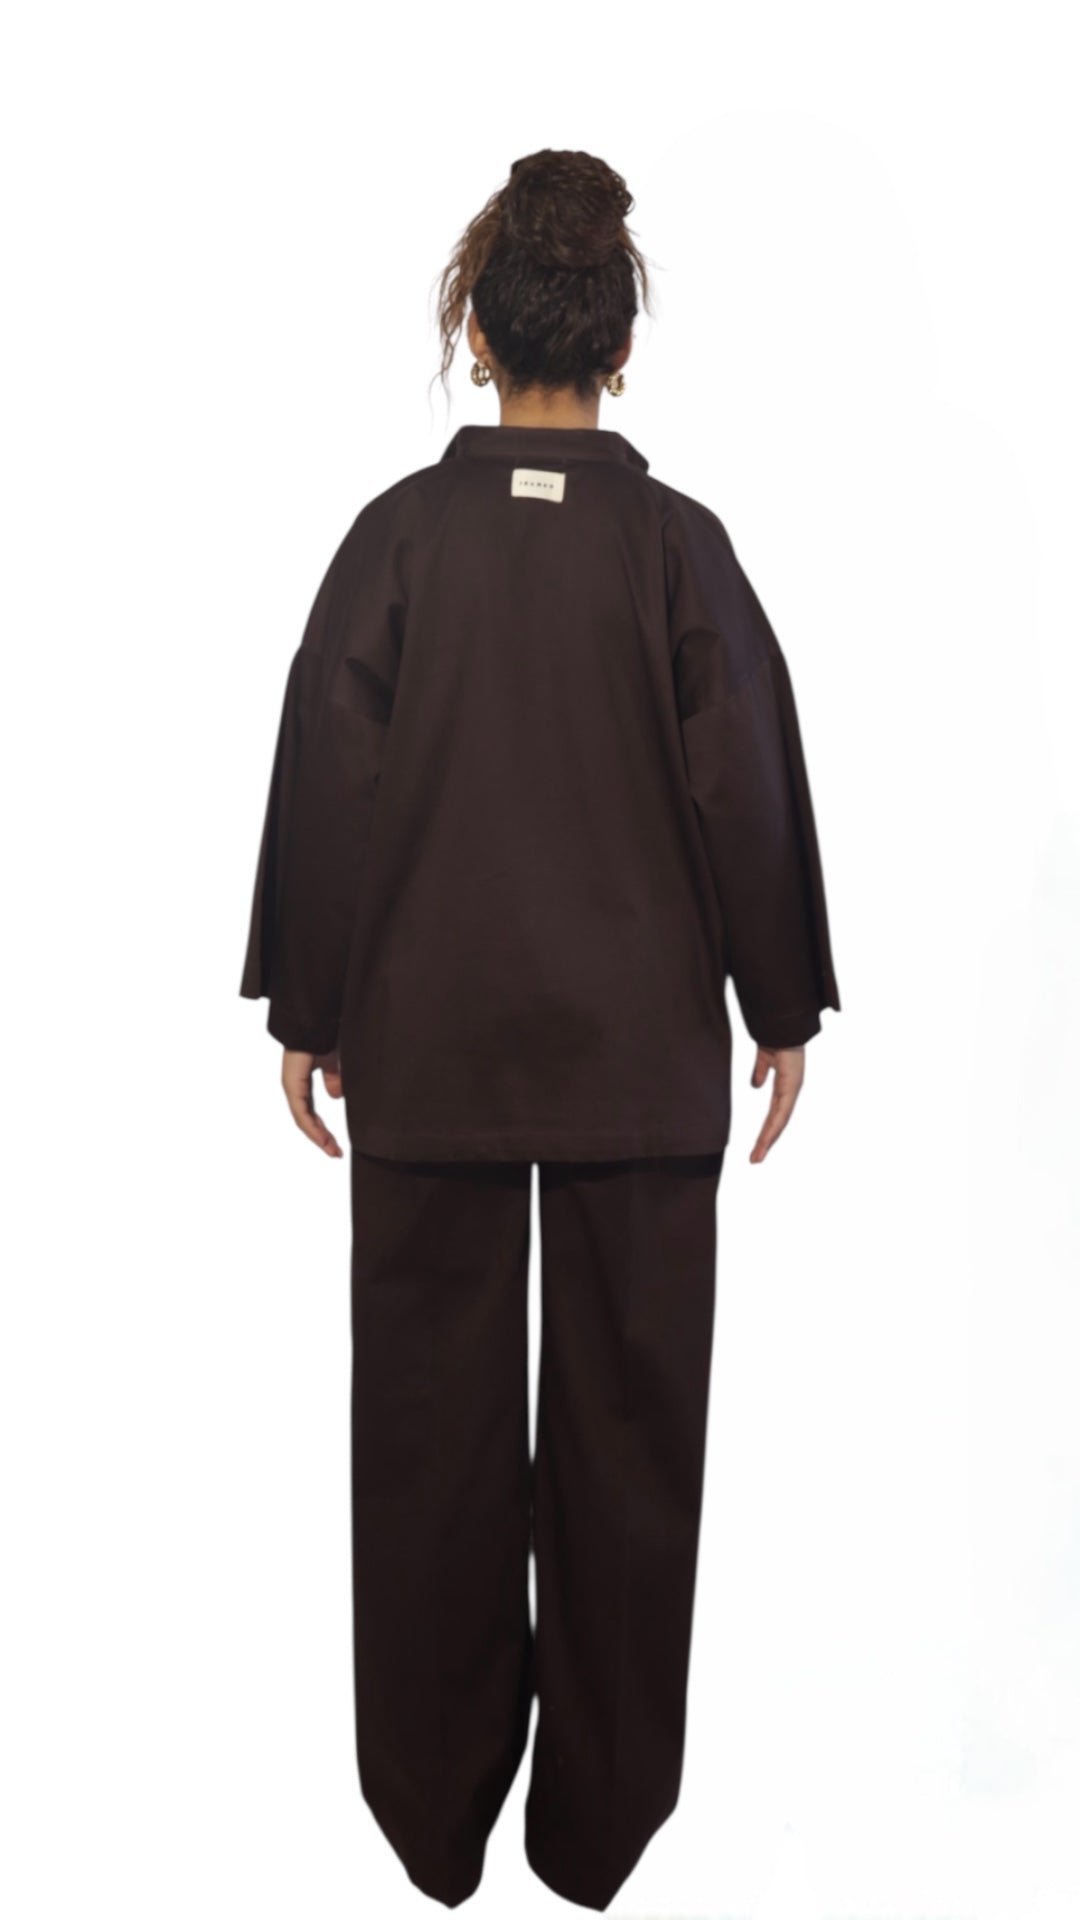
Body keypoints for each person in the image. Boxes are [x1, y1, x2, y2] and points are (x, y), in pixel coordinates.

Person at [238, 147, 840, 1912]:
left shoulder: (397, 543)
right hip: (639, 1078)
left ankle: (431, 1826)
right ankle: (597, 1832)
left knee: (422, 1443)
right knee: (631, 1450)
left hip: (427, 1063)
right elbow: (747, 786)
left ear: (482, 339)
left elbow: (330, 774)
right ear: (618, 348)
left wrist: (309, 1006)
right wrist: (781, 1004)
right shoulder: (676, 551)